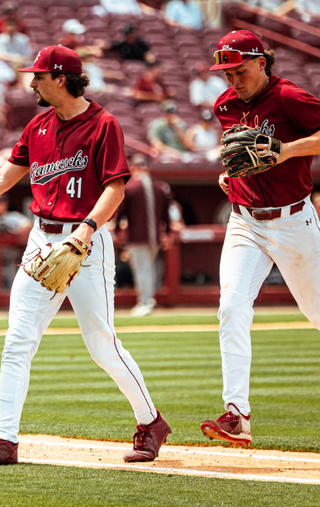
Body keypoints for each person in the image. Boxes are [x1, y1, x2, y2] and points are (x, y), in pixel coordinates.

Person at [0, 45, 170, 466]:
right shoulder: (37, 125)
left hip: (86, 244)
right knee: (18, 340)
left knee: (101, 345)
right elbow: (4, 178)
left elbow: (115, 188)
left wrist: (86, 231)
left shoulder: (103, 124)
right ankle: (5, 441)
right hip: (42, 241)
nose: (31, 82)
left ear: (61, 79)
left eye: (38, 75)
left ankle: (151, 422)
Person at [200, 30, 320, 446]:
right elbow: (238, 154)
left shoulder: (289, 97)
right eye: (226, 72)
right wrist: (229, 173)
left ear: (261, 63)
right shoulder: (225, 105)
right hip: (244, 221)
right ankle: (237, 414)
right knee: (231, 306)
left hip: (293, 221)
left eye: (238, 70)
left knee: (317, 313)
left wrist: (287, 150)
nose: (232, 79)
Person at [114, 155, 172, 317]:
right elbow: (166, 215)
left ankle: (145, 302)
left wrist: (118, 230)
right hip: (155, 238)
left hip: (137, 236)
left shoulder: (130, 187)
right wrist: (166, 234)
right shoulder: (160, 188)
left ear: (134, 168)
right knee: (150, 268)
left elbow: (121, 213)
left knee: (142, 269)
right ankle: (149, 299)